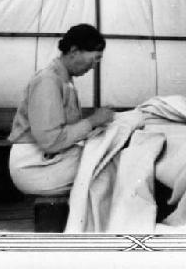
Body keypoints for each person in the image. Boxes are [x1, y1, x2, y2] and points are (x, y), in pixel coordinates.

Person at [8, 24, 114, 196]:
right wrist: (93, 121)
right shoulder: (48, 81)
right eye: (94, 58)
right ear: (74, 51)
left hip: (47, 160)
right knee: (108, 162)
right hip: (34, 167)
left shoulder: (63, 80)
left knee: (106, 155)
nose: (94, 66)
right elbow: (51, 142)